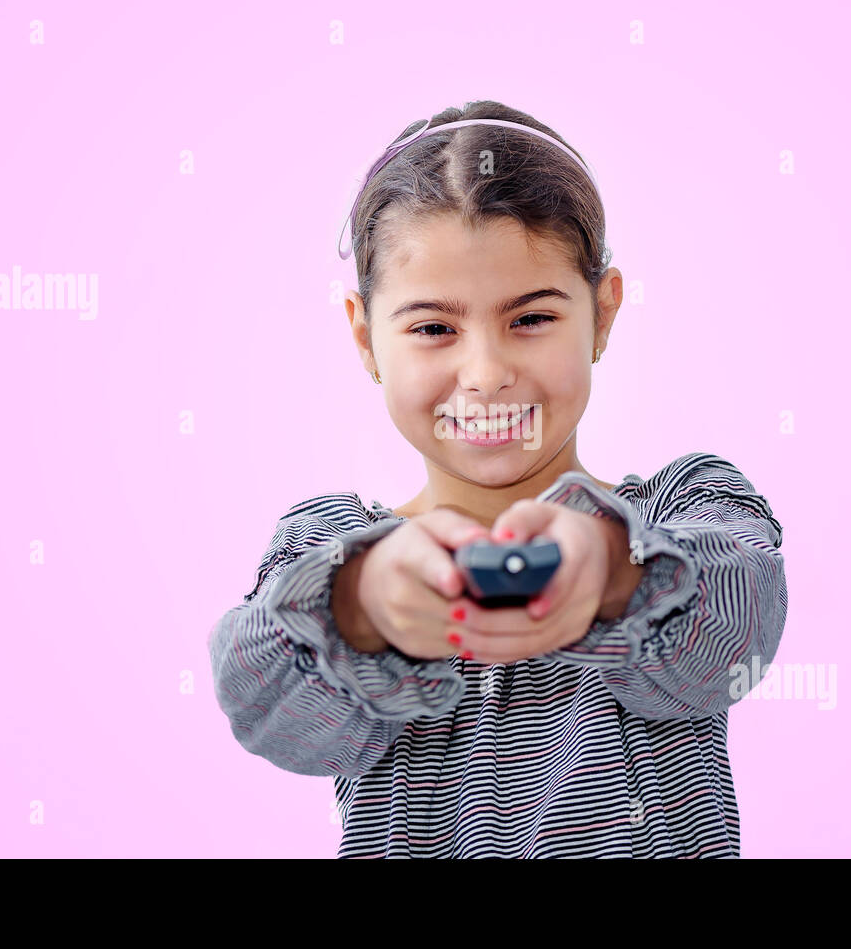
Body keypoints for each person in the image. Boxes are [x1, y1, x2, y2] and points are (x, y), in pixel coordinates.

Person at [208, 99, 788, 858]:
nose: (484, 375)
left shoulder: (687, 508)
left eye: (531, 319)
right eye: (433, 329)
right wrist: (363, 602)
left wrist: (612, 574)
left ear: (603, 314)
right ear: (365, 336)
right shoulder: (333, 547)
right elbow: (264, 704)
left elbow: (740, 620)